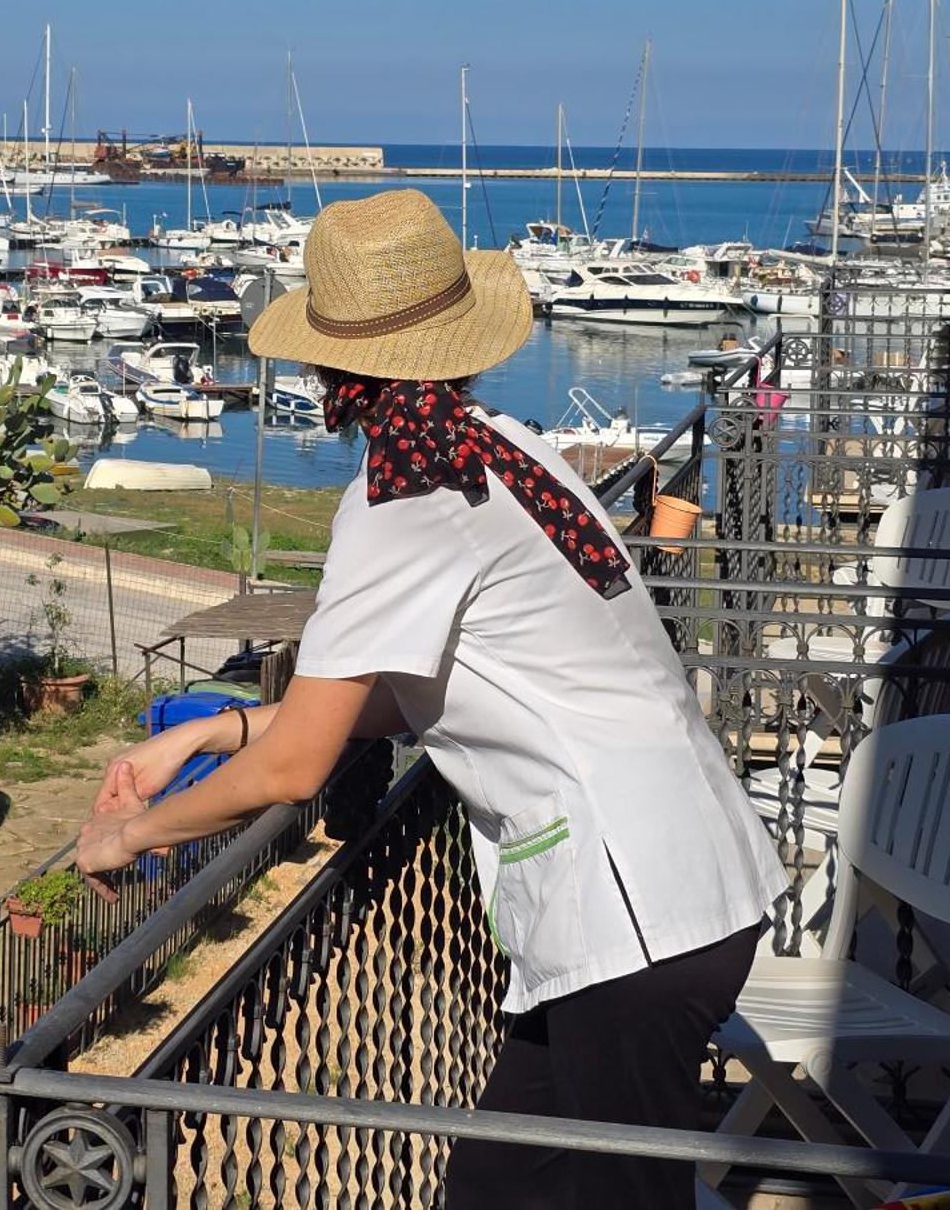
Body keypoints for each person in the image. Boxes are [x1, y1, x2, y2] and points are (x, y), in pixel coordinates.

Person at [74, 188, 786, 1207]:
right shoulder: (504, 452)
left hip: (634, 913)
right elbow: (420, 693)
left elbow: (296, 770)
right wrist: (213, 730)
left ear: (331, 363)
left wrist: (132, 835)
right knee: (495, 1187)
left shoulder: (402, 505)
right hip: (669, 886)